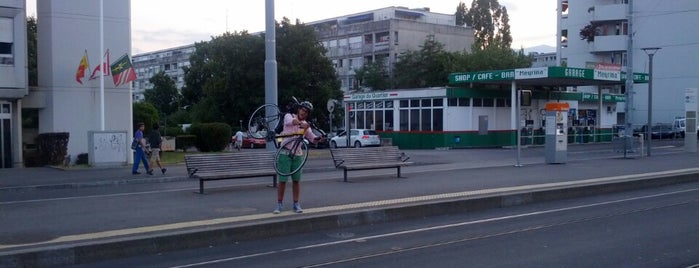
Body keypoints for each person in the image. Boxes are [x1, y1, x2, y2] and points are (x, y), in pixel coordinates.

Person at [273, 100, 325, 214]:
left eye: (306, 112)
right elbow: (292, 121)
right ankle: (279, 204)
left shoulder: (306, 125)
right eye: (302, 110)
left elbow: (312, 137)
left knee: (296, 181)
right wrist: (302, 124)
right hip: (285, 153)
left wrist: (319, 139)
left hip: (298, 154)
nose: (303, 112)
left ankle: (296, 204)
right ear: (299, 109)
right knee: (282, 180)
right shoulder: (289, 116)